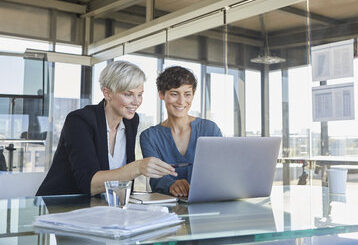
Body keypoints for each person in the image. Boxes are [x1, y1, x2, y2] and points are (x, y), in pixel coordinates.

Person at [37, 61, 177, 196]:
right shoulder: (79, 121)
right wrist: (138, 167)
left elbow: (122, 181)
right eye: (128, 94)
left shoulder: (131, 121)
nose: (136, 102)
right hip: (61, 206)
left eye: (139, 94)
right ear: (107, 93)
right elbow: (88, 183)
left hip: (101, 208)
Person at [140, 66, 222, 197]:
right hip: (166, 210)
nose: (181, 101)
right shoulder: (149, 137)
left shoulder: (210, 129)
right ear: (161, 94)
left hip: (207, 203)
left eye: (187, 94)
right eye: (174, 94)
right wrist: (171, 185)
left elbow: (221, 170)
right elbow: (156, 178)